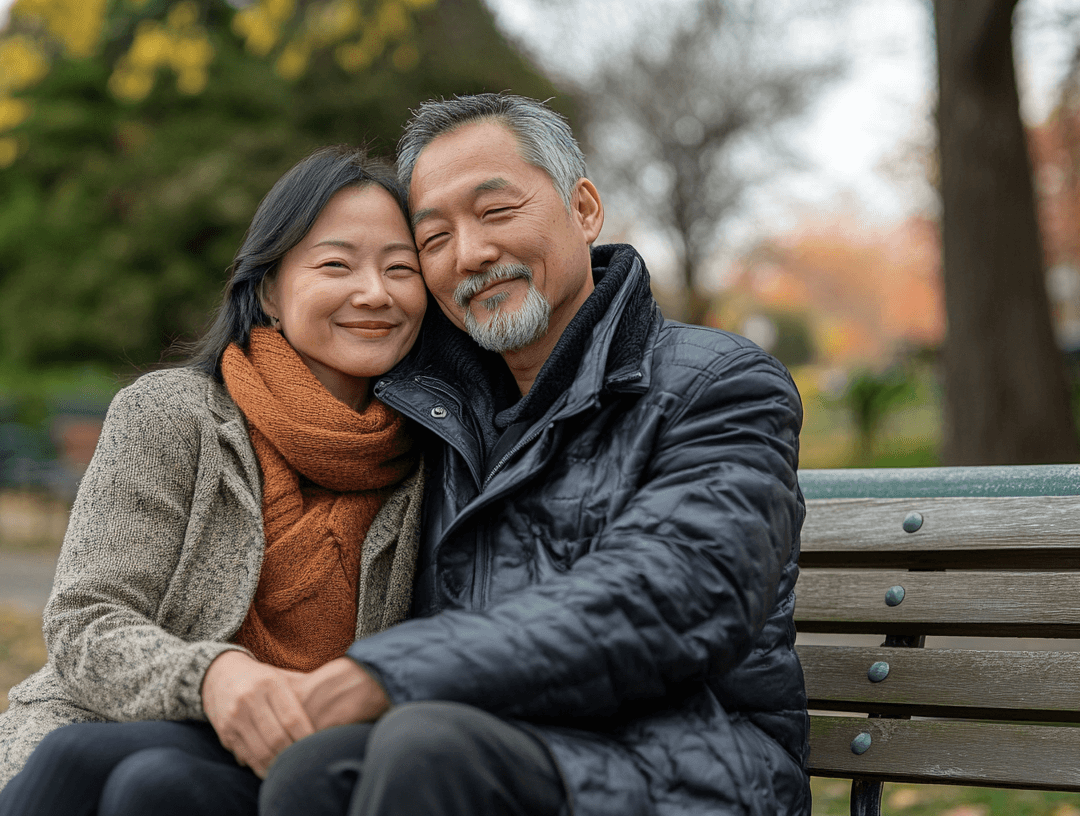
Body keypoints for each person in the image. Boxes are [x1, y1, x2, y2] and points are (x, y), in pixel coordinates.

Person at [255, 94, 811, 815]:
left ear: (583, 209)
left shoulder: (718, 384)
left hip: (696, 767)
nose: (471, 255)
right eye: (433, 239)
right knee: (314, 769)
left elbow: (670, 594)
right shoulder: (434, 416)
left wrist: (395, 672)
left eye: (496, 212)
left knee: (424, 748)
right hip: (493, 747)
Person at [0, 146, 429, 816]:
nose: (375, 293)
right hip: (110, 729)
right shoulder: (169, 415)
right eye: (337, 264)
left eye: (402, 269)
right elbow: (84, 622)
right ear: (269, 289)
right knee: (119, 771)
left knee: (153, 786)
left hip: (306, 766)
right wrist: (212, 676)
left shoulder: (436, 452)